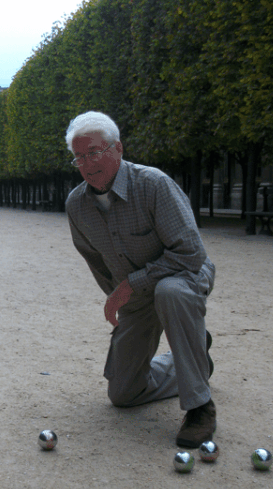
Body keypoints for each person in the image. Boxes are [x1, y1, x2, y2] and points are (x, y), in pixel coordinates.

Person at [64, 111, 216, 448]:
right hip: (137, 291)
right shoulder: (77, 205)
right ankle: (193, 356)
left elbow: (191, 253)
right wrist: (120, 297)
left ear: (117, 148)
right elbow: (96, 262)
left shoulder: (153, 184)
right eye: (78, 158)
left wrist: (129, 286)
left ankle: (200, 406)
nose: (87, 165)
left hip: (183, 276)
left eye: (94, 153)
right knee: (123, 394)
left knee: (170, 292)